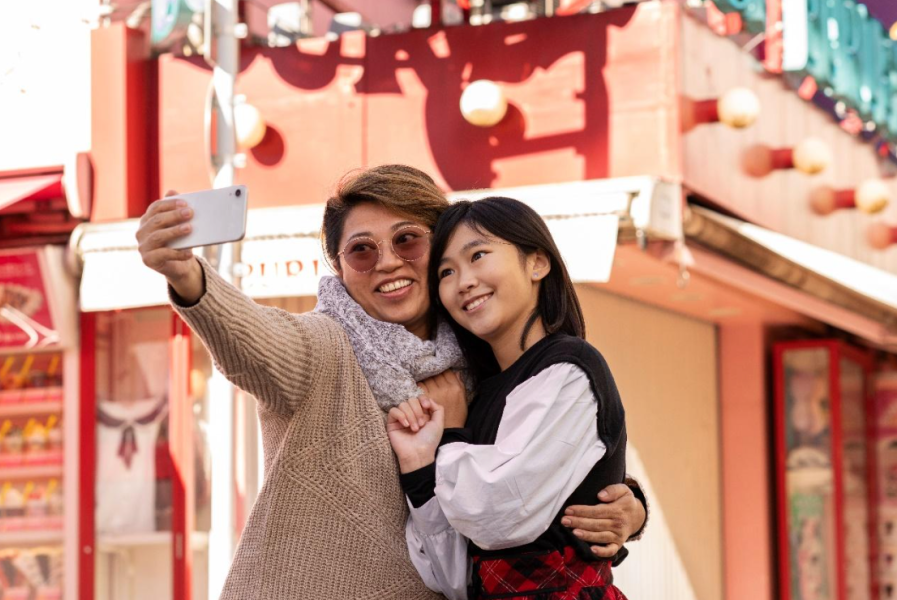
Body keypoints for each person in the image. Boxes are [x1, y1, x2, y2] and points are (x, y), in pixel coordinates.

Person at [135, 166, 646, 600]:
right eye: (361, 250)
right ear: (339, 268)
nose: (386, 261)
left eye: (408, 240)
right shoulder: (325, 348)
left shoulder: (485, 364)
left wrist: (625, 502)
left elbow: (534, 473)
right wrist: (189, 278)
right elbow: (256, 341)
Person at [387, 197, 630, 600]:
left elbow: (497, 513)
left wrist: (449, 435)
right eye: (446, 272)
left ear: (537, 263)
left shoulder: (570, 367)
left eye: (478, 255)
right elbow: (451, 575)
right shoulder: (480, 395)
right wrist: (417, 465)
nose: (463, 281)